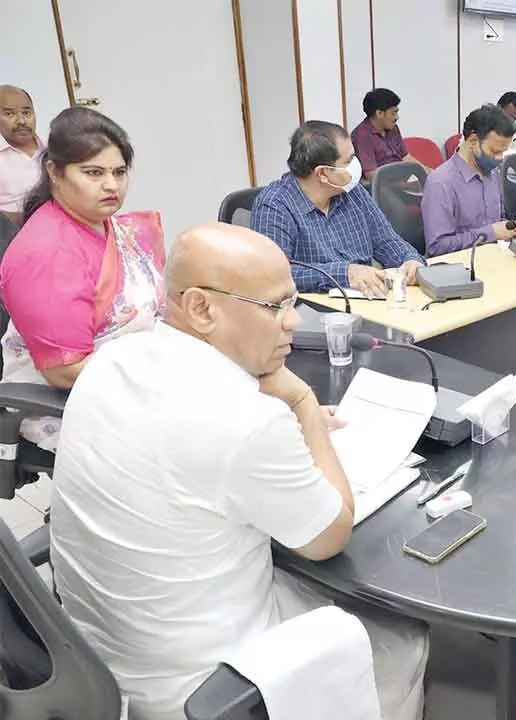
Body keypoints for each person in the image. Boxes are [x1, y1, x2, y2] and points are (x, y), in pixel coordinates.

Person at [49, 223, 429, 720]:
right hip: (195, 683)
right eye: (277, 307)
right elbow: (329, 535)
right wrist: (302, 402)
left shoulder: (110, 360)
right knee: (404, 637)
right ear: (203, 308)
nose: (293, 322)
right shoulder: (245, 422)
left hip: (91, 652)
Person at [0, 107, 163, 451]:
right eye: (93, 172)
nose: (111, 185)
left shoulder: (105, 225)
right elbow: (65, 370)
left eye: (120, 172)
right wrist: (162, 383)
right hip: (73, 400)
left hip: (132, 371)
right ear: (54, 173)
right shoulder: (48, 253)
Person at [251, 120, 424, 298]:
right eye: (348, 161)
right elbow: (274, 275)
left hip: (368, 303)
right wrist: (346, 274)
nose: (357, 165)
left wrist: (410, 259)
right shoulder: (274, 205)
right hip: (312, 314)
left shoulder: (352, 191)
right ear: (323, 174)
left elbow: (386, 240)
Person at [422, 104, 516, 257]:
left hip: (494, 260)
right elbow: (437, 247)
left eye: (503, 152)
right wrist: (491, 233)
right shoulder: (441, 183)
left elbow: (498, 222)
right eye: (495, 151)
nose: (499, 158)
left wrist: (511, 227)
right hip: (459, 271)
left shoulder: (492, 174)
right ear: (472, 141)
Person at [350, 87, 423, 183]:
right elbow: (372, 176)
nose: (397, 117)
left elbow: (406, 157)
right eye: (393, 113)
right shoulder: (362, 136)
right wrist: (402, 186)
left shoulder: (393, 128)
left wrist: (427, 172)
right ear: (379, 113)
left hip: (403, 180)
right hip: (382, 187)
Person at [0, 85, 43, 225]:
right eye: (9, 114)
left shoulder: (54, 149)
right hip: (10, 234)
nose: (22, 121)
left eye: (26, 113)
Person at [498, 90, 516, 156]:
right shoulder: (485, 124)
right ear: (498, 108)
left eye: (515, 118)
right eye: (510, 116)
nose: (512, 121)